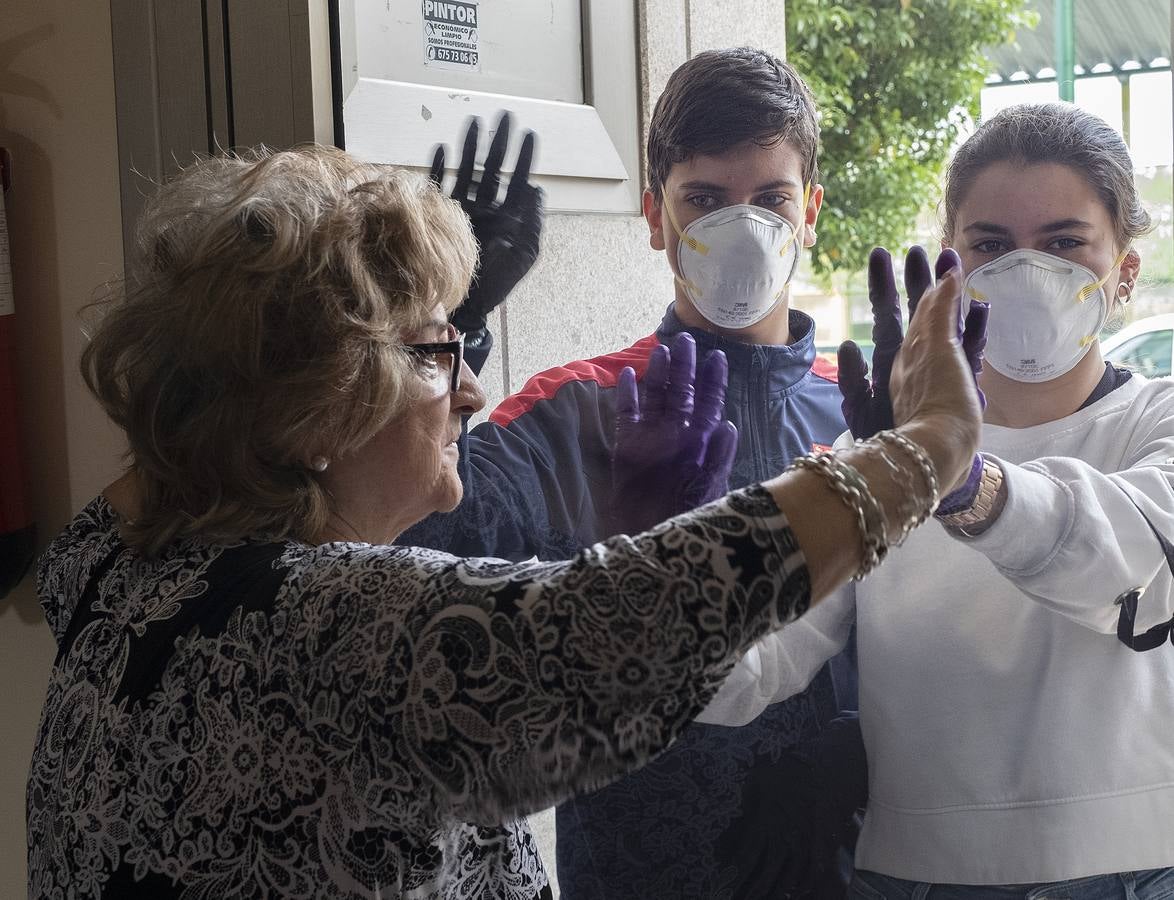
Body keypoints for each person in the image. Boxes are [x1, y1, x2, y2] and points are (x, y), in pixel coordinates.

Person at [25, 144, 983, 899]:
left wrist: (404, 333)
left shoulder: (104, 561)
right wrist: (928, 445)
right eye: (437, 353)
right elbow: (626, 630)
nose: (473, 388)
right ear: (314, 412)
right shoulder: (332, 630)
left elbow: (200, 415)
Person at [405, 47, 867, 897]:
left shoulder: (862, 412)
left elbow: (938, 622)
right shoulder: (575, 410)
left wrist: (854, 742)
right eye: (705, 200)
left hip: (849, 868)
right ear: (656, 216)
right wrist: (442, 336)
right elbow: (416, 540)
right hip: (637, 871)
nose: (742, 228)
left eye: (771, 199)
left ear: (809, 214)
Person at [701, 102, 1174, 897]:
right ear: (951, 260)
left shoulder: (1154, 420)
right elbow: (755, 665)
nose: (1028, 272)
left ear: (1124, 270)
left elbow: (1137, 573)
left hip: (1133, 869)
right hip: (920, 876)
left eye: (1064, 243)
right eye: (991, 244)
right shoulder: (879, 456)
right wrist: (663, 553)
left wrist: (964, 484)